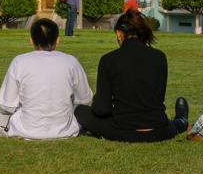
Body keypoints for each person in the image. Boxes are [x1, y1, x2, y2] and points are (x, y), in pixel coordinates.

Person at [0, 18, 92, 139]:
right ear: (57, 40)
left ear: (31, 40)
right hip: (66, 128)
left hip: (25, 128)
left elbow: (6, 106)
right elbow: (85, 99)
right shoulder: (71, 61)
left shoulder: (20, 61)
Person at [75, 10, 189, 143]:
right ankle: (181, 120)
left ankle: (180, 121)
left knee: (80, 111)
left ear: (119, 33)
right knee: (173, 124)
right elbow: (157, 98)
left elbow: (102, 109)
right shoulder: (159, 57)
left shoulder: (108, 60)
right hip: (159, 128)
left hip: (124, 131)